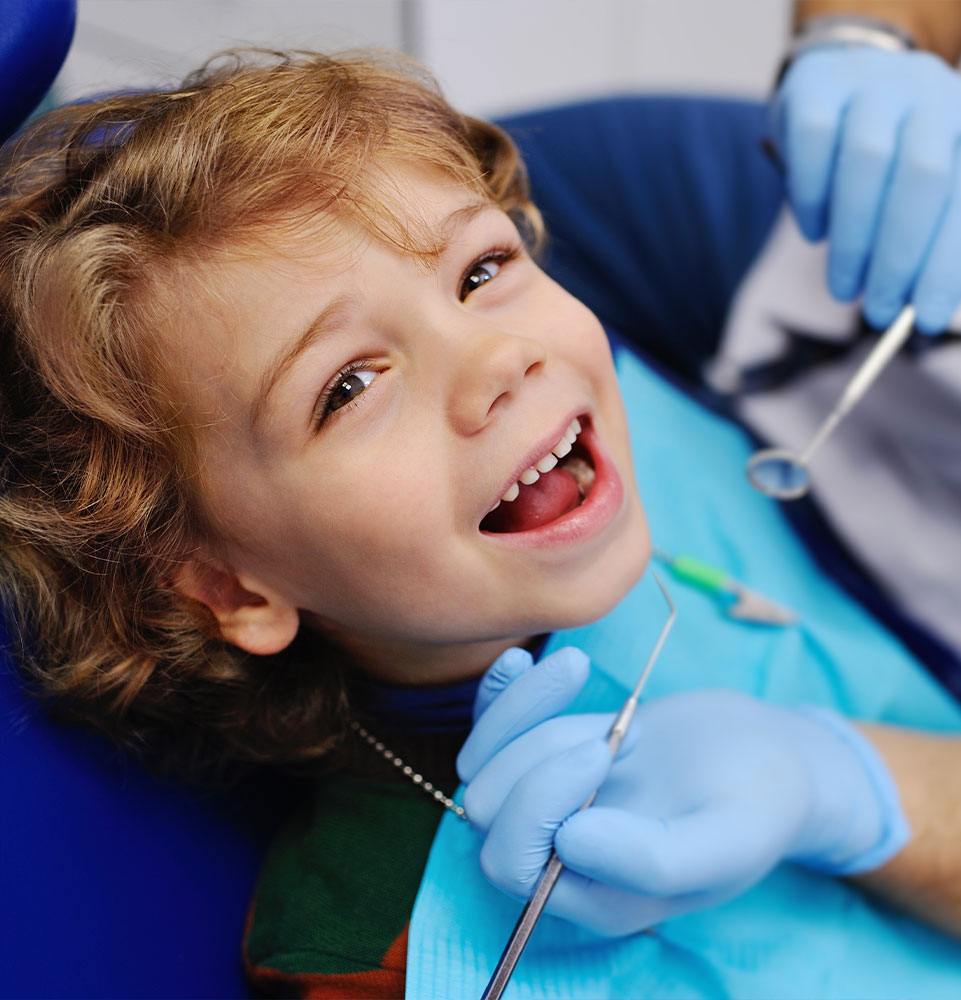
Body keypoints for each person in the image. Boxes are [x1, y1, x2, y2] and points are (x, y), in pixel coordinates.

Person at [1, 6, 960, 1000]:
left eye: (482, 269)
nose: (499, 359)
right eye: (347, 387)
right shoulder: (361, 945)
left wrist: (840, 783)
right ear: (230, 588)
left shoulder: (643, 411)